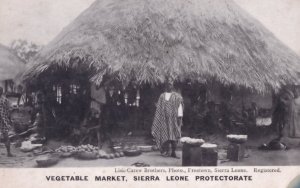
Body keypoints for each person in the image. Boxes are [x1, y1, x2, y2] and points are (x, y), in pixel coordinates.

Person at [152, 79, 183, 158]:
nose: (170, 85)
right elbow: (159, 108)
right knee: (165, 136)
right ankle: (166, 151)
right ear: (166, 86)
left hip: (173, 120)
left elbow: (179, 106)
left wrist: (179, 117)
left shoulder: (177, 96)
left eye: (171, 84)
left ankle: (173, 152)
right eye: (168, 84)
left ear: (173, 86)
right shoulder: (162, 96)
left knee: (174, 136)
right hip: (164, 120)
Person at [0, 87, 14, 157]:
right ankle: (8, 153)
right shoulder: (5, 100)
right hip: (3, 120)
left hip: (3, 120)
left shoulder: (5, 100)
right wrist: (8, 120)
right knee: (6, 137)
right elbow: (10, 110)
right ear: (2, 92)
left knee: (6, 137)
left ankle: (9, 153)